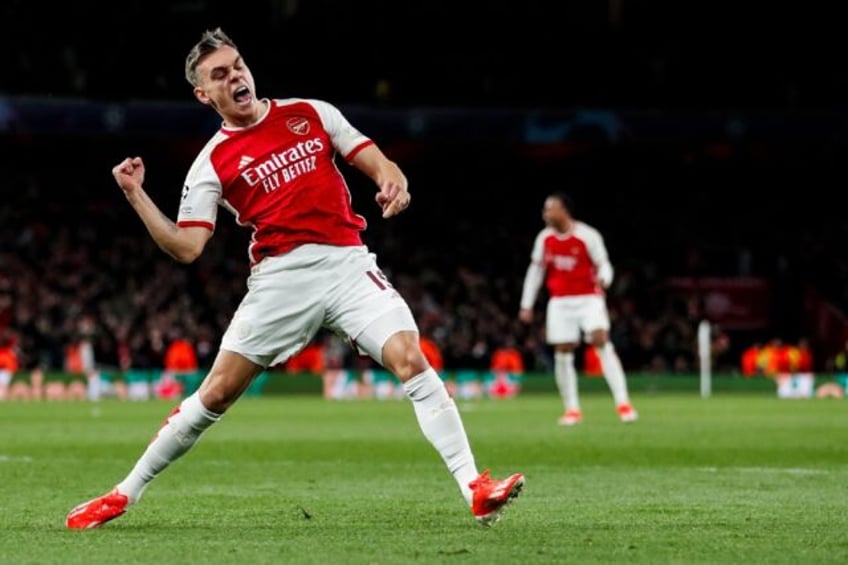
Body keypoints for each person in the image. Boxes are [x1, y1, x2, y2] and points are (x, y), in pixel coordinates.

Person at [65, 28, 523, 529]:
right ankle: (124, 493)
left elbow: (377, 161)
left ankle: (474, 487)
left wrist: (395, 182)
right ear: (204, 94)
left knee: (410, 358)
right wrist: (135, 193)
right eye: (219, 74)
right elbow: (186, 247)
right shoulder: (210, 163)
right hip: (281, 280)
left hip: (348, 264)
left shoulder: (311, 112)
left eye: (237, 64)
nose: (235, 76)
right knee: (215, 394)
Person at [518, 192, 637, 425]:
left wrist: (605, 278)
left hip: (589, 297)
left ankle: (623, 403)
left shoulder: (587, 236)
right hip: (560, 301)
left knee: (600, 338)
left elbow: (604, 264)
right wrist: (526, 304)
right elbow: (535, 272)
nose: (545, 214)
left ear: (563, 210)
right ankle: (572, 408)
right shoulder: (544, 239)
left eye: (549, 209)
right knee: (563, 349)